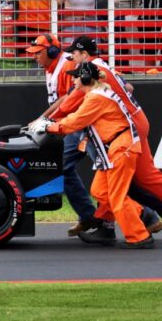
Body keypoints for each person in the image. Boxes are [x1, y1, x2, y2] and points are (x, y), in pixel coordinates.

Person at [56, 35, 162, 244]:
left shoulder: (91, 72)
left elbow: (69, 104)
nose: (71, 57)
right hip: (131, 121)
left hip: (125, 127)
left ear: (85, 54)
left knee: (132, 178)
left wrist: (46, 120)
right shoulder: (102, 68)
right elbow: (129, 87)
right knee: (126, 178)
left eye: (74, 53)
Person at [46, 61, 152, 249]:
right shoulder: (95, 95)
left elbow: (74, 122)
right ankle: (140, 213)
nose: (73, 80)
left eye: (76, 76)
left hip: (122, 148)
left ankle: (139, 237)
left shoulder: (96, 98)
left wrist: (49, 126)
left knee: (117, 197)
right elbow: (75, 117)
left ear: (86, 78)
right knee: (99, 191)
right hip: (114, 149)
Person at [23, 33, 104, 236]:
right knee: (63, 168)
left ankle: (146, 217)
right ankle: (88, 216)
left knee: (109, 173)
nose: (35, 57)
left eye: (38, 53)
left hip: (84, 123)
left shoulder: (67, 66)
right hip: (74, 124)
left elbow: (68, 99)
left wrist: (44, 119)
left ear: (51, 51)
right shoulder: (50, 68)